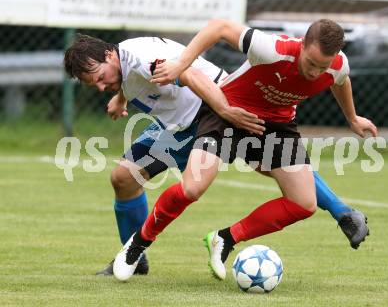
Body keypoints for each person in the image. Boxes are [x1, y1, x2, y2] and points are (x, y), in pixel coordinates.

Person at [113, 19, 377, 281]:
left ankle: (224, 239)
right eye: (310, 63)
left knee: (304, 203)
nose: (315, 73)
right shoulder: (272, 49)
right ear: (302, 45)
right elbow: (220, 27)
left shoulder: (337, 65)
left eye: (323, 67)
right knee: (193, 187)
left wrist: (352, 118)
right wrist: (182, 64)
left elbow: (341, 81)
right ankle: (139, 243)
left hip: (276, 125)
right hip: (229, 113)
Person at [64, 34, 263, 276]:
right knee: (124, 178)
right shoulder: (123, 59)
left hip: (209, 109)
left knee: (277, 166)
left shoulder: (140, 59)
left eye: (100, 78)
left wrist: (225, 111)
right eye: (93, 85)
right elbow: (134, 77)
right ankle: (134, 258)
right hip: (175, 124)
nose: (100, 87)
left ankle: (322, 203)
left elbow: (188, 74)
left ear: (108, 55)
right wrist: (120, 98)